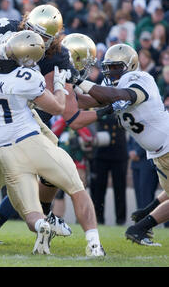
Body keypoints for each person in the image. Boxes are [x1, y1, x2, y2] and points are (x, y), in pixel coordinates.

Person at [0, 30, 105, 256]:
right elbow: (57, 107)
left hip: (6, 151)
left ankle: (41, 226)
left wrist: (2, 49)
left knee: (31, 214)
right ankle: (94, 244)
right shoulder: (25, 78)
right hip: (32, 142)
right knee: (76, 188)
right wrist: (58, 84)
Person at [69, 43, 169, 246]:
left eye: (117, 67)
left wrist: (80, 80)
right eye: (109, 67)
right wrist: (65, 86)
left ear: (130, 66)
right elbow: (86, 101)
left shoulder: (141, 79)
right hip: (159, 152)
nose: (111, 72)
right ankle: (139, 228)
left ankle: (140, 228)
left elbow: (118, 96)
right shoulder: (116, 87)